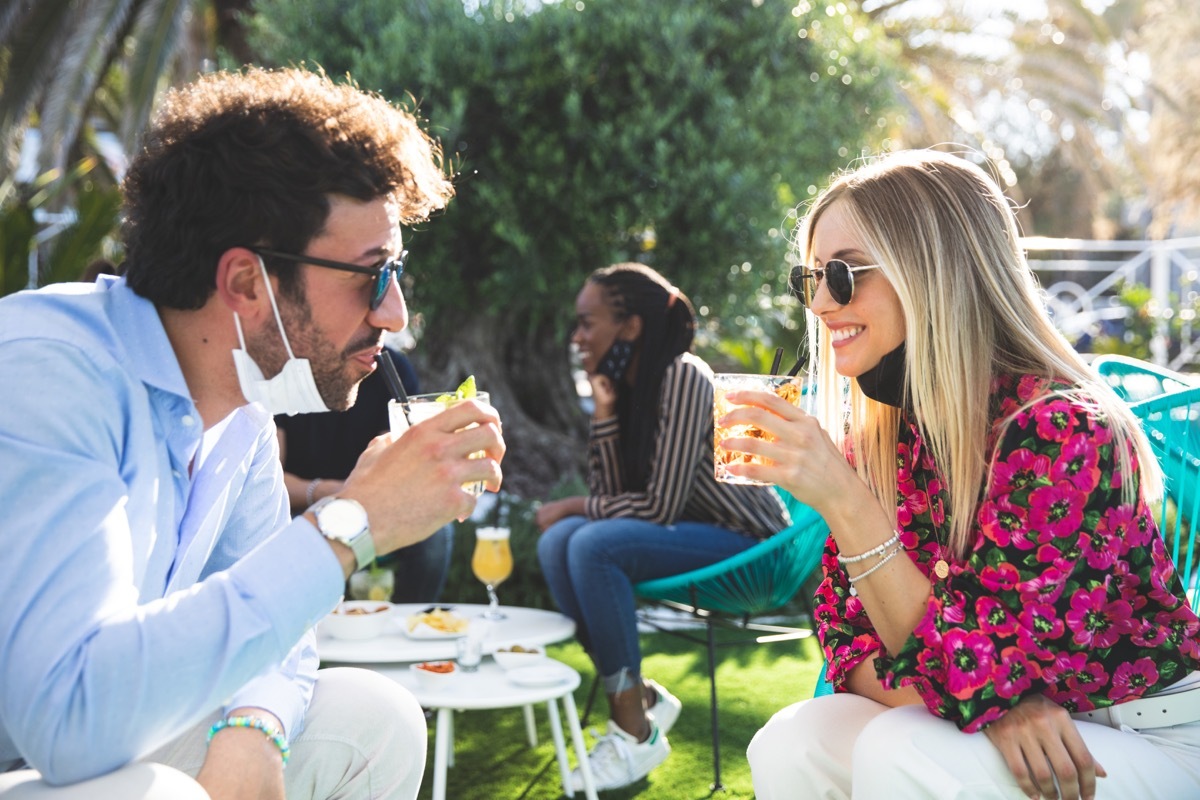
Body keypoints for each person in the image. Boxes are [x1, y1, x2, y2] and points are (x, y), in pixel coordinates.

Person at [0, 67, 505, 800]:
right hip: (34, 749)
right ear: (244, 283)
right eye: (370, 277)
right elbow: (67, 719)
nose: (394, 314)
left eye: (396, 272)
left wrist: (255, 724)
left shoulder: (240, 413)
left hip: (72, 749)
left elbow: (280, 631)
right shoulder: (48, 375)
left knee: (377, 718)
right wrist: (351, 525)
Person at [730, 149, 1200, 799]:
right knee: (796, 739)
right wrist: (987, 697)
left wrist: (842, 497)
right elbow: (848, 649)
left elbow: (977, 669)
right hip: (1017, 728)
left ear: (931, 271)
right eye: (808, 279)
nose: (820, 304)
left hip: (1151, 738)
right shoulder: (887, 435)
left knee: (906, 749)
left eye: (840, 274)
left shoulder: (1056, 426)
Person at [535, 263, 789, 792]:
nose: (576, 337)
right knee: (560, 542)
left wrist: (574, 504)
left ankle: (634, 731)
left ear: (629, 327)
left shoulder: (682, 375)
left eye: (587, 322)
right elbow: (616, 495)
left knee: (588, 540)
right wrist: (605, 412)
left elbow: (657, 508)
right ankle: (640, 697)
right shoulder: (626, 389)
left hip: (753, 548)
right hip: (694, 537)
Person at [277, 345, 454, 602]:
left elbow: (398, 466)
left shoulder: (393, 368)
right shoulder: (285, 371)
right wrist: (327, 491)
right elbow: (270, 480)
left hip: (374, 505)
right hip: (301, 507)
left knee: (436, 533)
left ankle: (410, 623)